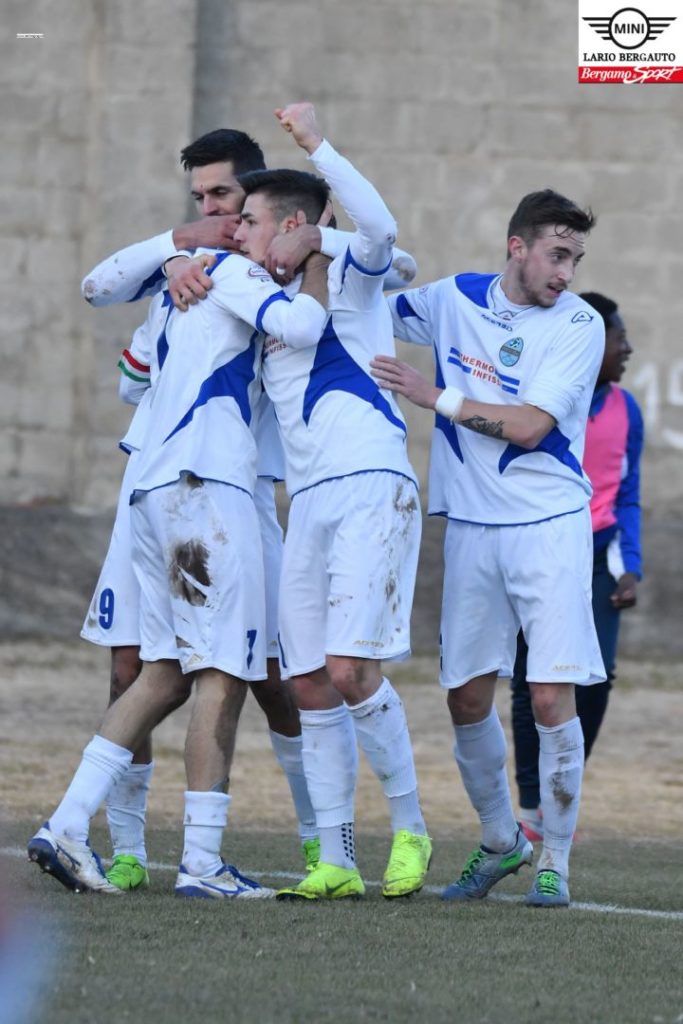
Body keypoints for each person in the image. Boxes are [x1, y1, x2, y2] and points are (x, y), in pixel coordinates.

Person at [28, 190, 329, 898]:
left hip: (153, 490)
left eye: (245, 218)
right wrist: (313, 255)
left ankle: (68, 823)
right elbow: (305, 327)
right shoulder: (231, 272)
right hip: (207, 488)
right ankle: (201, 862)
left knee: (162, 673)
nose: (238, 229)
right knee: (224, 673)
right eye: (242, 220)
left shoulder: (183, 284)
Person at [371, 189, 606, 908]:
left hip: (547, 524)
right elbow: (367, 307)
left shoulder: (579, 324)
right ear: (517, 246)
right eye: (556, 255)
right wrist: (365, 256)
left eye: (574, 258)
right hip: (471, 527)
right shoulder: (451, 299)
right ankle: (502, 840)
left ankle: (553, 863)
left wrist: (430, 393)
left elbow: (532, 426)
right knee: (465, 698)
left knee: (545, 695)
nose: (565, 272)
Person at [227, 102, 431, 901]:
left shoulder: (350, 270)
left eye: (250, 221)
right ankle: (335, 858)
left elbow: (382, 233)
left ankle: (410, 828)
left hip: (372, 480)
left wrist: (316, 147)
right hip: (305, 498)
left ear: (293, 226)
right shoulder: (259, 294)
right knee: (308, 679)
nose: (238, 233)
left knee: (350, 670)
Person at [510, 291, 643, 841]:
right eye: (619, 338)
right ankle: (534, 804)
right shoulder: (541, 401)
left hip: (598, 555)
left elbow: (630, 491)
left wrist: (630, 563)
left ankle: (565, 781)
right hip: (541, 547)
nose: (628, 348)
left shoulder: (627, 408)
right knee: (529, 681)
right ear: (590, 341)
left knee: (596, 678)